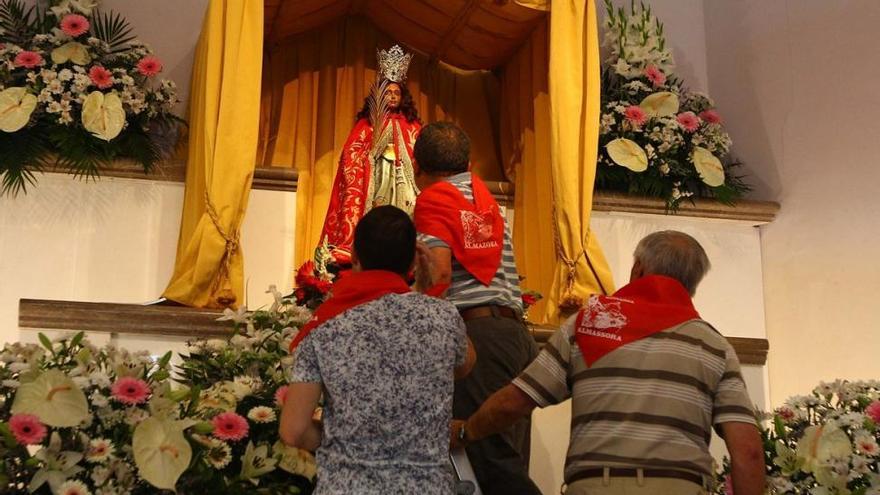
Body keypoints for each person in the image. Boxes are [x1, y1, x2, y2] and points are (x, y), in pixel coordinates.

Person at [450, 230, 766, 495]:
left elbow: (516, 401)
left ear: (639, 269)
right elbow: (748, 452)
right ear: (693, 284)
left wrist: (467, 430)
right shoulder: (714, 346)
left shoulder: (588, 323)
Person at [279, 205, 476, 494]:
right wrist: (431, 294)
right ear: (412, 262)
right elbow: (464, 364)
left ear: (355, 255)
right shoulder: (441, 318)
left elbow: (292, 430)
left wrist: (343, 438)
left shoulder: (325, 325)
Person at [413, 122, 542, 495]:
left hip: (478, 339)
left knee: (487, 462)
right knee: (507, 455)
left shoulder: (434, 198)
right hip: (514, 336)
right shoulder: (484, 200)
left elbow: (436, 272)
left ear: (416, 166)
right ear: (468, 162)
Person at [318, 45, 422, 265]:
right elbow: (351, 153)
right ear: (380, 95)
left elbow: (419, 153)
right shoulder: (367, 123)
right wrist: (370, 156)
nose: (392, 97)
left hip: (402, 179)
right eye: (388, 92)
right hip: (376, 179)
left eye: (396, 93)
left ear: (403, 97)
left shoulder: (412, 125)